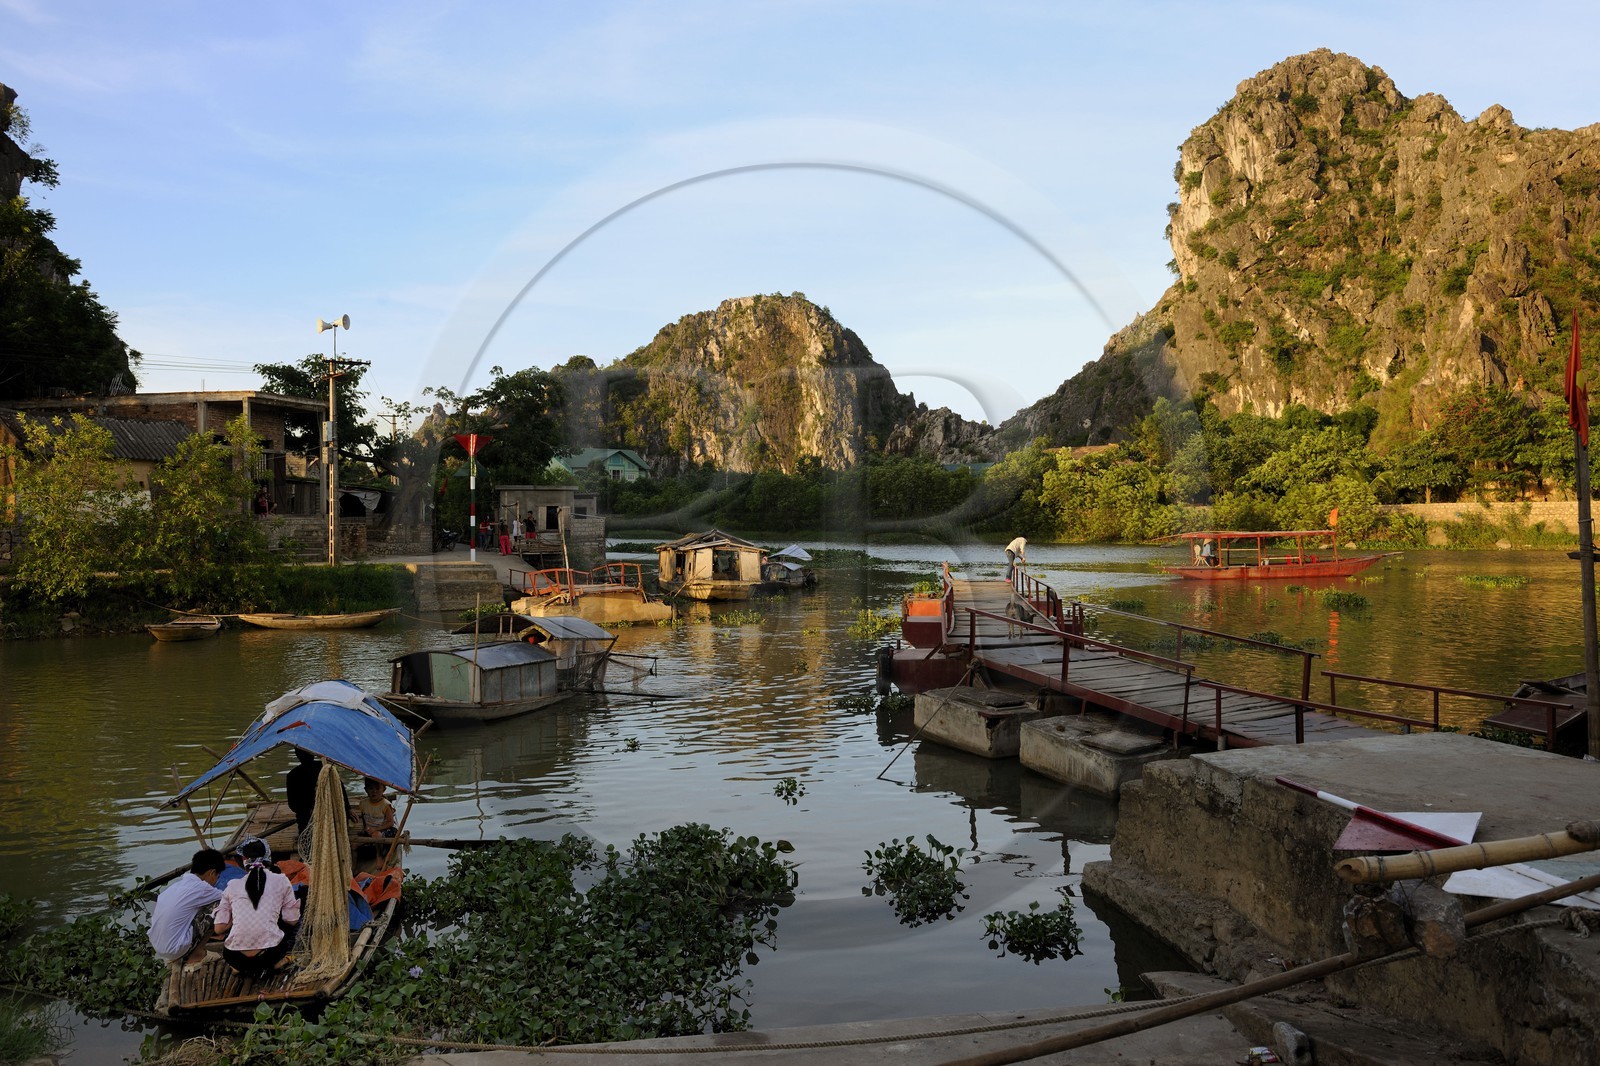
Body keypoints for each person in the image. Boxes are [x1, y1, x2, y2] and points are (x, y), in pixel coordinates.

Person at [214, 838, 300, 978]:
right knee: (295, 920)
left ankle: (237, 968)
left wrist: (237, 918)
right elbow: (292, 920)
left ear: (244, 860)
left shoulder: (232, 885)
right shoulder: (281, 880)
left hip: (235, 957)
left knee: (235, 930)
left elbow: (218, 929)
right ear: (267, 857)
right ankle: (279, 962)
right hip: (270, 954)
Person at [148, 848, 226, 969]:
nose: (216, 881)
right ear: (212, 873)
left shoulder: (175, 887)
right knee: (220, 904)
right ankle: (196, 954)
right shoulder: (202, 888)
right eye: (218, 876)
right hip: (175, 949)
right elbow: (230, 897)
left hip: (158, 947)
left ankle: (182, 953)